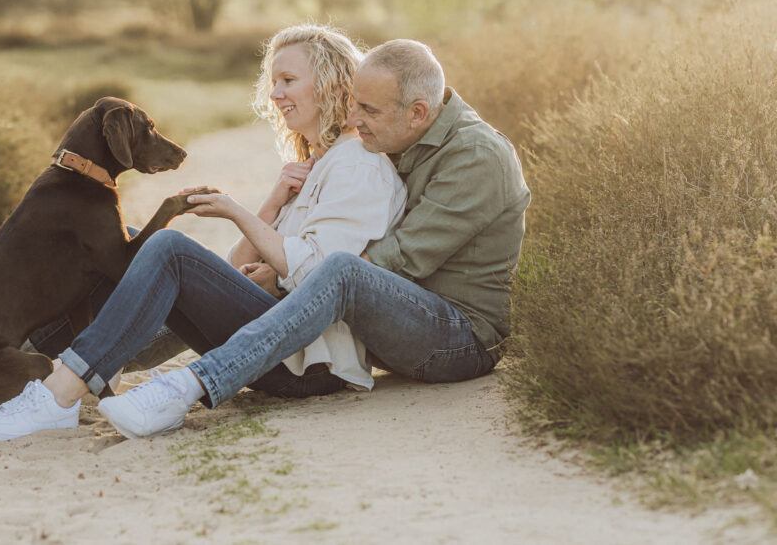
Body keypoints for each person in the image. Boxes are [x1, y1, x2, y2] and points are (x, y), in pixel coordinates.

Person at [0, 24, 407, 441]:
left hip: (309, 362)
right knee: (122, 242)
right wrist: (271, 203)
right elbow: (233, 267)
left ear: (329, 82)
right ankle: (5, 363)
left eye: (288, 81)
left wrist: (235, 211)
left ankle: (58, 394)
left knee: (168, 248)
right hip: (271, 340)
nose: (274, 94)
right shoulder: (315, 164)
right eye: (273, 82)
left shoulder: (358, 164)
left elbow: (321, 278)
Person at [97, 39, 531, 438]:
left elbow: (395, 262)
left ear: (417, 112)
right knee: (183, 263)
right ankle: (71, 363)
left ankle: (188, 386)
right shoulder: (404, 133)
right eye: (354, 105)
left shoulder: (476, 157)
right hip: (400, 319)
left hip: (459, 338)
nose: (354, 120)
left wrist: (286, 276)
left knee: (340, 270)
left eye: (367, 111)